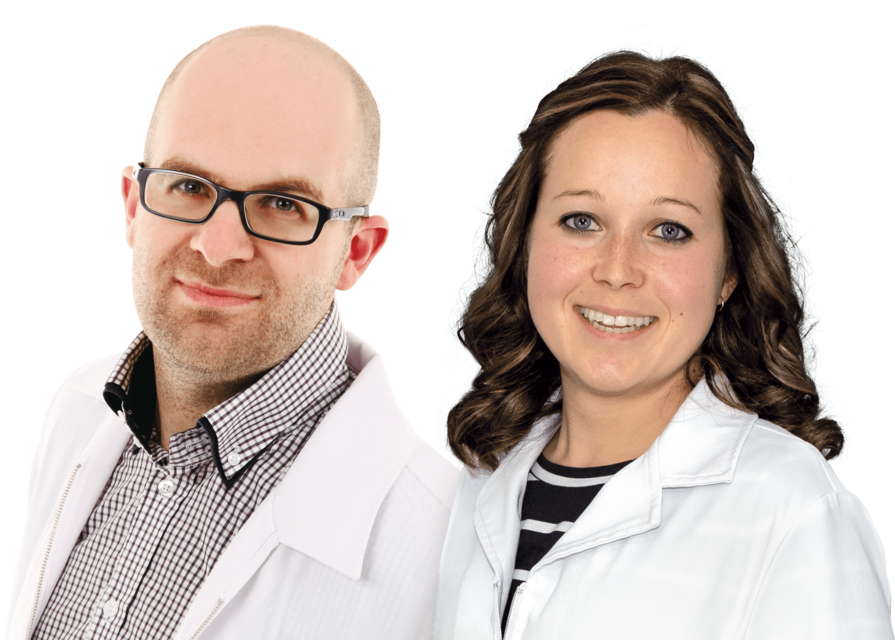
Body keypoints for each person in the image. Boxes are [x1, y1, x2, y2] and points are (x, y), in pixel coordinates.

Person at [7, 24, 459, 640]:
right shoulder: (77, 409)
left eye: (283, 204)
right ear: (133, 207)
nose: (218, 248)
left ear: (356, 252)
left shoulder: (449, 557)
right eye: (189, 187)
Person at [432, 49, 890, 639]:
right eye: (581, 220)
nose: (617, 270)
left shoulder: (793, 509)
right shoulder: (473, 487)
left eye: (669, 230)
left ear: (729, 273)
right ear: (524, 246)